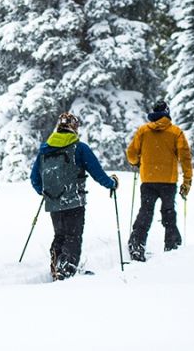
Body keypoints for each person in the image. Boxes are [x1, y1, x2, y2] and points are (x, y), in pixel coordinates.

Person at [30, 112, 118, 281]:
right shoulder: (79, 148)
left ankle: (56, 267)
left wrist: (46, 192)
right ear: (74, 128)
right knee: (73, 236)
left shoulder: (45, 150)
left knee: (60, 235)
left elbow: (34, 178)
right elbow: (96, 172)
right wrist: (111, 184)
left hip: (53, 201)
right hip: (74, 199)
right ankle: (66, 271)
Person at [126, 100, 193, 262]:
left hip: (148, 179)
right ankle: (172, 246)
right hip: (168, 182)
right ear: (167, 112)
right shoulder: (176, 132)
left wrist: (136, 163)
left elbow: (131, 153)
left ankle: (136, 246)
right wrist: (187, 181)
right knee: (168, 213)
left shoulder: (143, 131)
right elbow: (185, 158)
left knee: (145, 212)